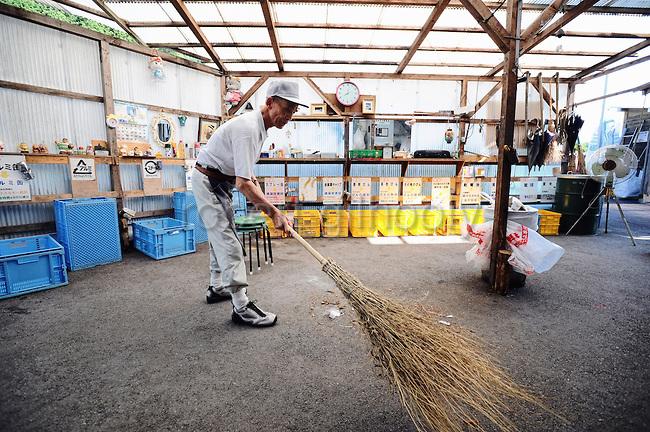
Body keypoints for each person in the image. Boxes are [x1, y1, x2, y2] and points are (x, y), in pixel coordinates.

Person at [192, 81, 307, 327]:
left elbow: (246, 174)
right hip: (209, 180)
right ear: (269, 103)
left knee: (219, 236)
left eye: (293, 111)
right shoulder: (247, 127)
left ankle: (217, 286)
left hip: (220, 180)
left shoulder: (259, 128)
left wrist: (268, 204)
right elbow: (243, 184)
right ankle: (242, 306)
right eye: (286, 109)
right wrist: (274, 212)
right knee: (228, 240)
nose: (288, 117)